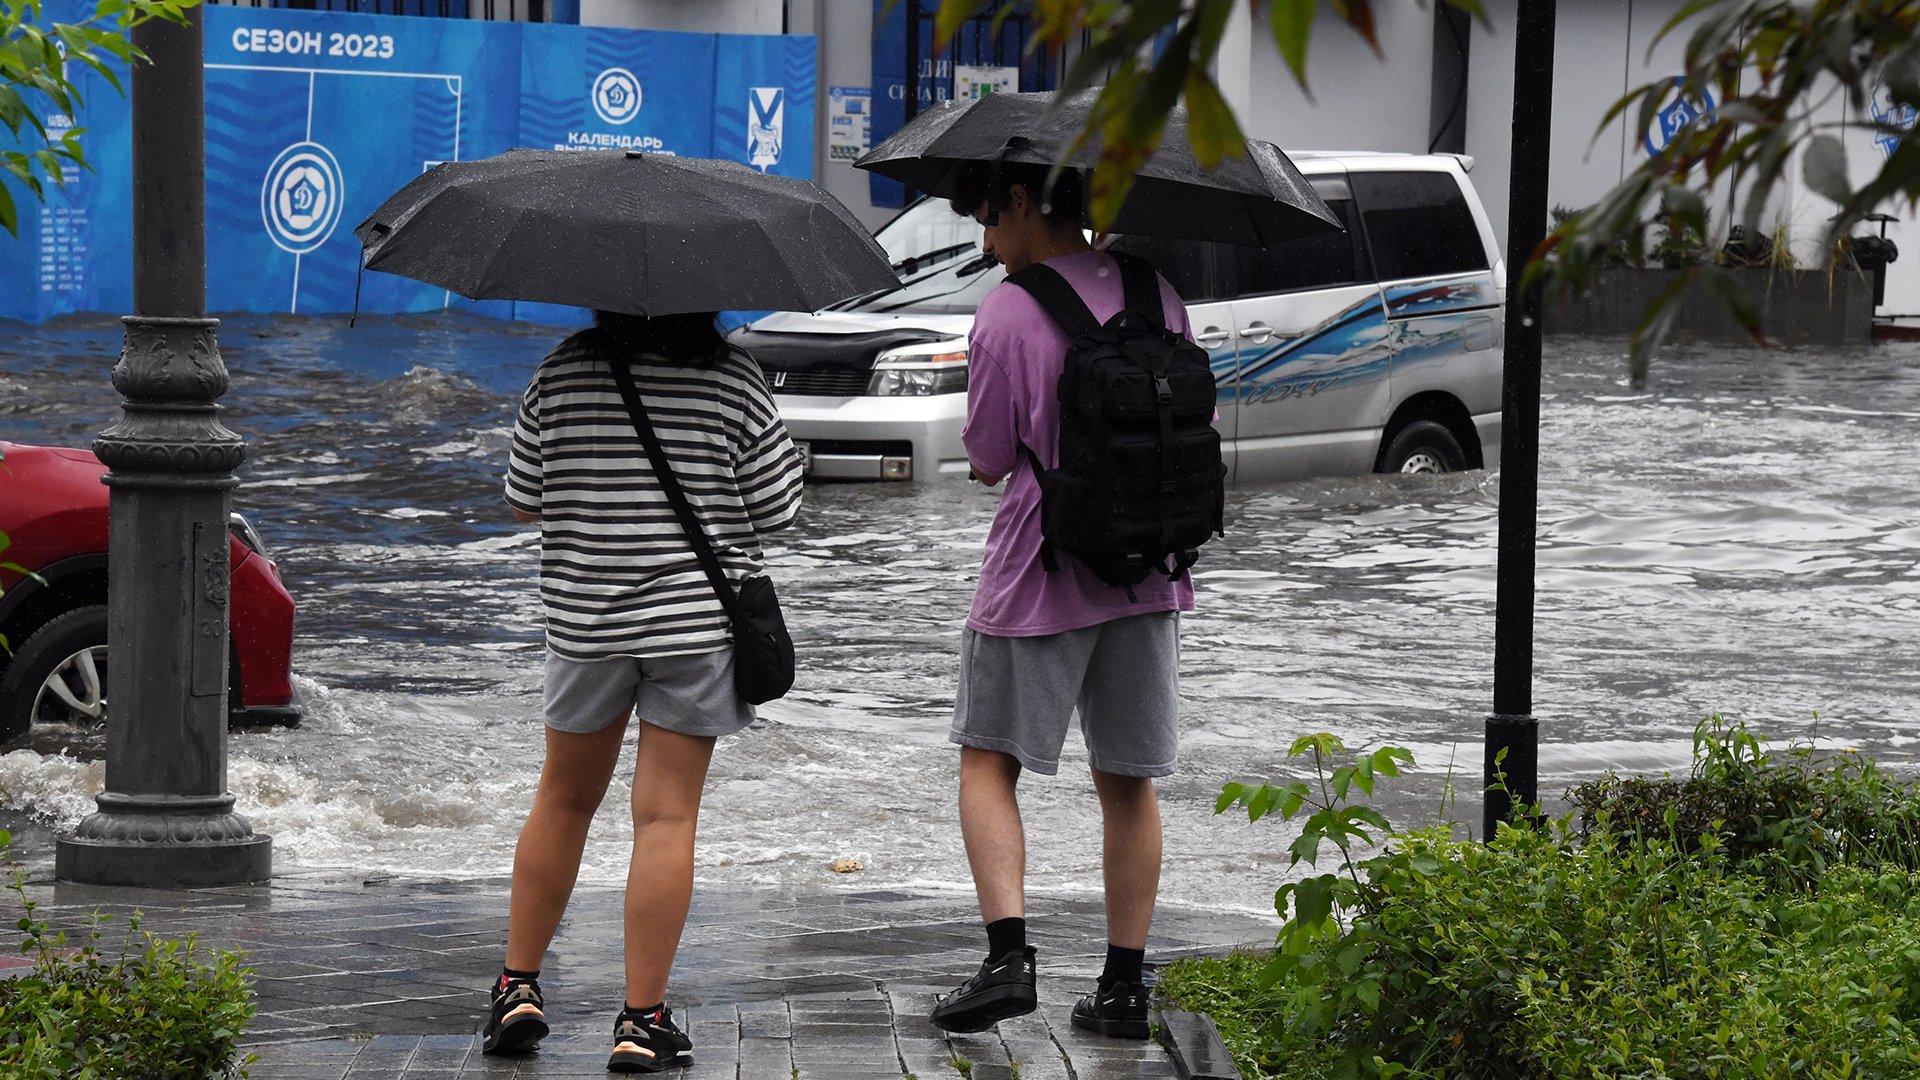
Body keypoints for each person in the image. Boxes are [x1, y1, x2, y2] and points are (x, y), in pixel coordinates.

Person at [484, 309, 804, 1073]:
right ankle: (641, 1021)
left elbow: (524, 497)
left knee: (562, 799)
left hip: (585, 624)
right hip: (694, 629)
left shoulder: (560, 370)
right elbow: (779, 511)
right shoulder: (734, 377)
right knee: (665, 816)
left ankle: (518, 987)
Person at [930, 163, 1197, 1041]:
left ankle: (1009, 958)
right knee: (1128, 782)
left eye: (984, 216)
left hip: (1038, 572)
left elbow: (988, 456)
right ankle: (1124, 987)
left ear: (1018, 200)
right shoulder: (1159, 292)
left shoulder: (1008, 309)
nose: (982, 241)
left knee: (987, 762)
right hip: (1147, 570)